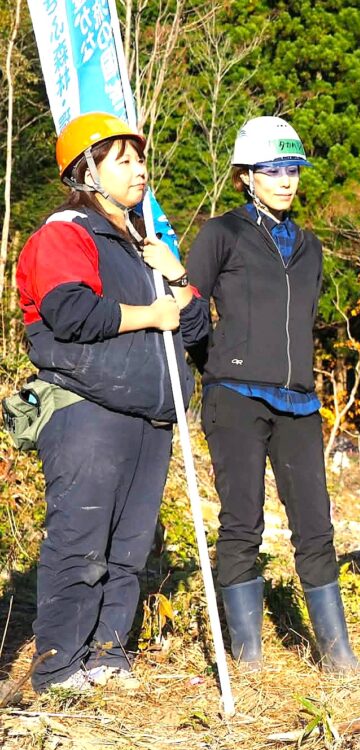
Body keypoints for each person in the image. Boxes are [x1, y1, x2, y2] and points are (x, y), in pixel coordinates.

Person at [15, 111, 209, 692]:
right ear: (88, 173)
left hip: (150, 413)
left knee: (127, 549)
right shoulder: (66, 233)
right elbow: (70, 312)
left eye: (140, 158)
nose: (140, 170)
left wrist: (176, 276)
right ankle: (58, 667)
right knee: (81, 541)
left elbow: (198, 332)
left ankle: (107, 655)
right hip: (85, 407)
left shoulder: (143, 245)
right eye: (123, 160)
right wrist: (149, 314)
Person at [186, 116, 360, 673]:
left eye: (292, 169)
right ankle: (249, 661)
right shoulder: (222, 233)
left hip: (299, 402)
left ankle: (338, 657)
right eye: (272, 170)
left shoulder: (309, 247)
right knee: (242, 521)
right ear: (246, 176)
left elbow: (305, 320)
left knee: (316, 524)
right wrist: (214, 362)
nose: (286, 181)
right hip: (234, 395)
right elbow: (190, 309)